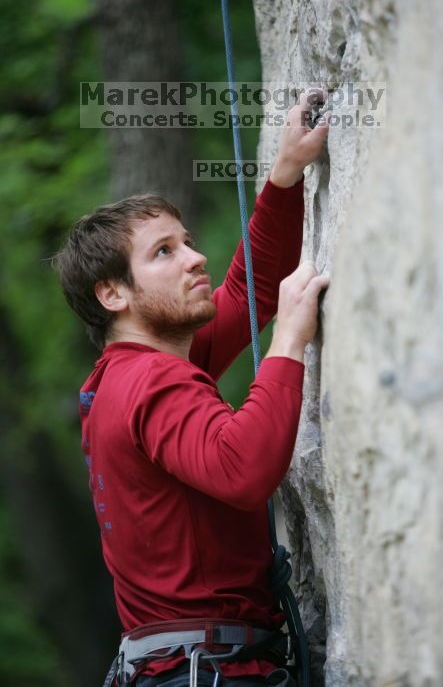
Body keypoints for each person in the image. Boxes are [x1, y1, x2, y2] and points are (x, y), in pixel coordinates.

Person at [53, 92, 330, 687]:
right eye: (164, 252)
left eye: (186, 241)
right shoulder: (152, 380)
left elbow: (249, 290)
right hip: (210, 672)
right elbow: (243, 467)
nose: (196, 257)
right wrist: (289, 340)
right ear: (113, 294)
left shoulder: (135, 368)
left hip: (187, 667)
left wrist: (284, 176)